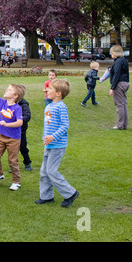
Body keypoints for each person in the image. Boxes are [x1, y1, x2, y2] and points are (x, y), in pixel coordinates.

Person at [35, 78, 79, 207]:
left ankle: (70, 193)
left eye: (50, 88)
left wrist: (53, 137)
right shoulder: (48, 106)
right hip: (49, 145)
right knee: (44, 171)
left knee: (51, 171)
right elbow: (46, 127)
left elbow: (65, 125)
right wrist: (45, 143)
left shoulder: (61, 107)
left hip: (58, 145)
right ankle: (46, 197)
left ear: (58, 93)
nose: (47, 90)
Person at [109, 45, 130, 130]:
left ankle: (120, 125)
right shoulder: (124, 60)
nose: (111, 54)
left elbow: (117, 74)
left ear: (114, 53)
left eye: (111, 53)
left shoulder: (118, 61)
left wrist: (112, 87)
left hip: (119, 84)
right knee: (123, 104)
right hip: (125, 83)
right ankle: (124, 124)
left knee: (119, 105)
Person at [16, 85, 32, 171]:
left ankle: (27, 162)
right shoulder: (11, 103)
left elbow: (27, 117)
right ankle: (14, 165)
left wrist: (19, 119)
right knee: (13, 150)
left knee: (23, 148)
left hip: (21, 132)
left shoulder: (24, 105)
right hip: (12, 131)